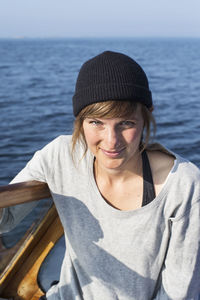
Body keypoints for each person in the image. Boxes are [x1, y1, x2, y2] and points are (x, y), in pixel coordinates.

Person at [0, 51, 200, 300]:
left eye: (126, 123)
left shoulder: (184, 185)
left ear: (147, 115)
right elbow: (5, 219)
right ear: (79, 120)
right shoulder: (61, 156)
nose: (111, 141)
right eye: (96, 122)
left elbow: (178, 293)